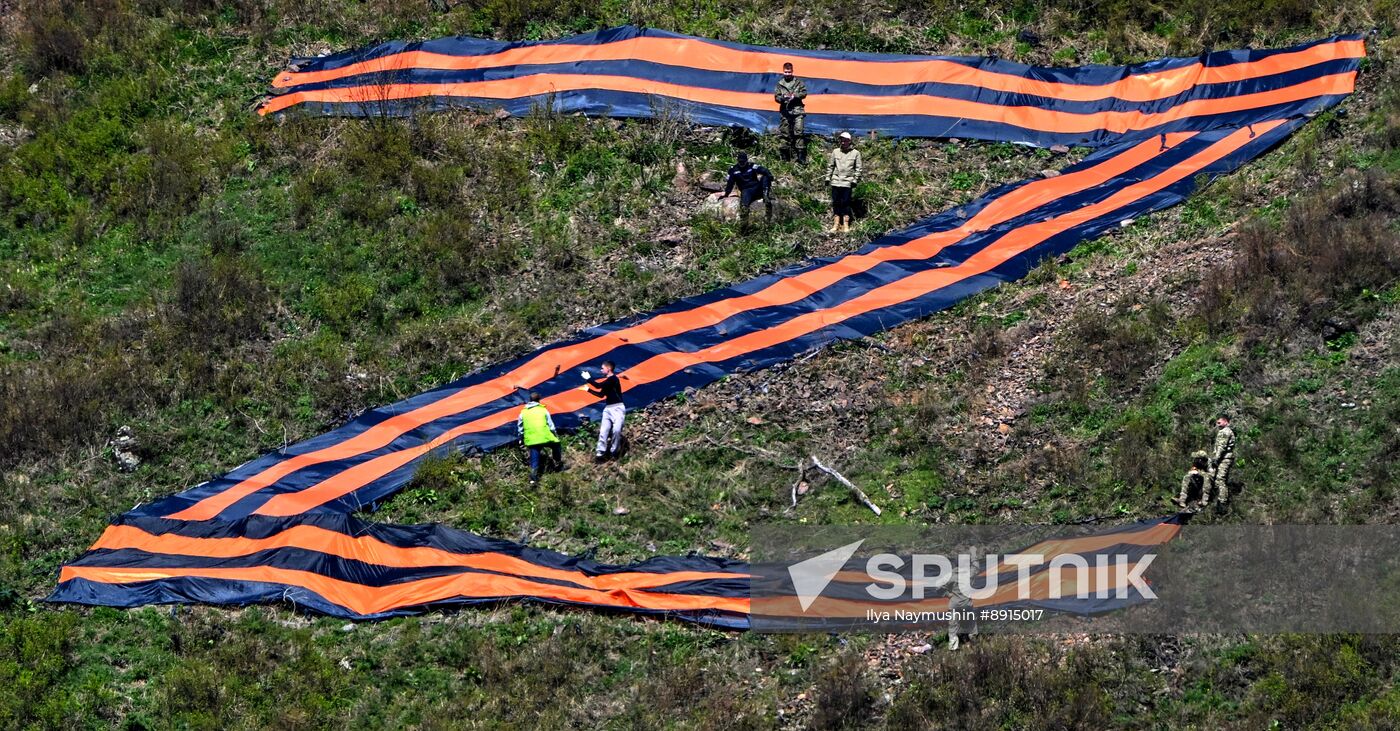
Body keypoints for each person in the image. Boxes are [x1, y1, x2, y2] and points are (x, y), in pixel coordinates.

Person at [582, 360, 626, 463]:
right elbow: (601, 395)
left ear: (608, 368)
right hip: (608, 409)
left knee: (616, 430)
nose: (601, 370)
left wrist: (589, 379)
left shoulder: (613, 379)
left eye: (602, 368)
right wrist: (588, 390)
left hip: (617, 407)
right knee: (604, 431)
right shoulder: (608, 382)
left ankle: (614, 451)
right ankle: (600, 453)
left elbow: (598, 386)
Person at [516, 391, 562, 486]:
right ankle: (557, 464)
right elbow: (551, 426)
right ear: (539, 400)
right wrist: (555, 434)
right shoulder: (543, 410)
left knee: (534, 458)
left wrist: (521, 438)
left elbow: (520, 428)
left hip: (532, 439)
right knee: (556, 445)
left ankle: (533, 479)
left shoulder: (523, 412)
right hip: (545, 436)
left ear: (530, 400)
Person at [723, 152, 774, 226]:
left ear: (747, 160)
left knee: (765, 177)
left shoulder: (752, 166)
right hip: (746, 191)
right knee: (744, 207)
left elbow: (763, 170)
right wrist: (726, 194)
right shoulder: (733, 170)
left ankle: (765, 195)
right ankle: (744, 226)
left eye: (743, 161)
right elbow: (730, 183)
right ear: (737, 161)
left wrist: (770, 175)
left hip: (757, 188)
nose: (742, 163)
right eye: (740, 161)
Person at [826, 131, 862, 233]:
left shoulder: (855, 153)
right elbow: (830, 166)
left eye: (845, 140)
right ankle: (836, 224)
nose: (843, 142)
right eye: (841, 140)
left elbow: (858, 168)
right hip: (836, 182)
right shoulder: (835, 152)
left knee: (846, 203)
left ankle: (846, 225)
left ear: (849, 141)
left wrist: (855, 180)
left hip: (847, 182)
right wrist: (828, 178)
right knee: (836, 203)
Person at [773, 62, 807, 163]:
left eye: (789, 72)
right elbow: (776, 97)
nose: (787, 74)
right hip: (785, 111)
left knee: (799, 132)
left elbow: (804, 93)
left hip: (797, 110)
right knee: (785, 133)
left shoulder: (798, 82)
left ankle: (801, 156)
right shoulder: (780, 84)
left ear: (792, 71)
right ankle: (785, 156)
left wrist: (795, 96)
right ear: (783, 71)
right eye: (786, 72)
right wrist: (783, 98)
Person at [1210, 415, 1236, 505]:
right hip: (1225, 458)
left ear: (1225, 422)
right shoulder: (1225, 431)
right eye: (1217, 423)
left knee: (1220, 480)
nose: (1218, 425)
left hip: (1224, 458)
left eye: (1219, 423)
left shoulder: (1224, 432)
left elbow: (1221, 447)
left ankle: (1222, 503)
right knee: (1219, 479)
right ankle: (1219, 499)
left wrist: (1216, 459)